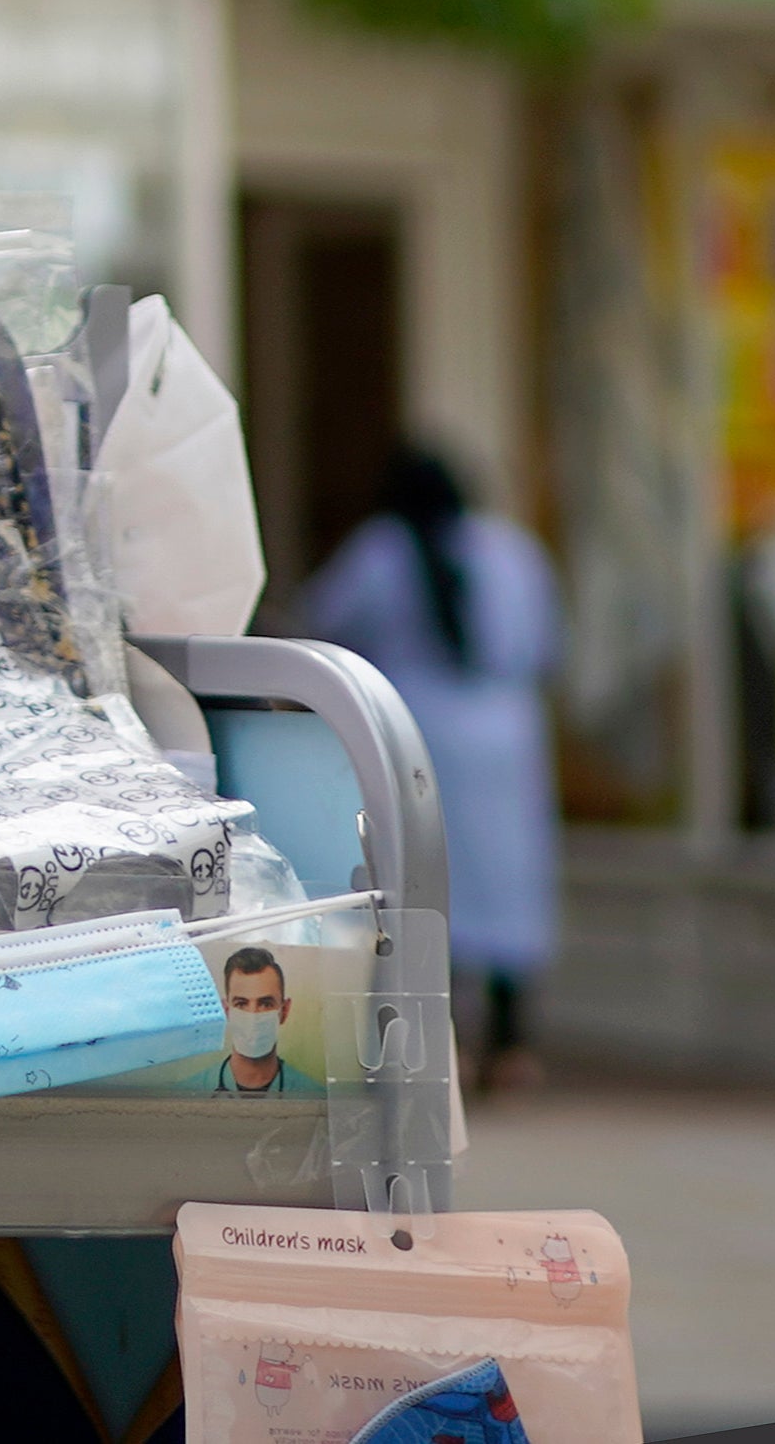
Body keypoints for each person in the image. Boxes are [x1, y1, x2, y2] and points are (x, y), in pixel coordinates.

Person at [300, 442, 560, 1087]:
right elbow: (550, 646)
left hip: (422, 734)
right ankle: (511, 1047)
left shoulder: (381, 551)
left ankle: (440, 1046)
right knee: (507, 885)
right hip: (507, 737)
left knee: (428, 880)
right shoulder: (514, 550)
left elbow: (316, 627)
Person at [210, 943, 300, 1094]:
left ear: (284, 1011)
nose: (253, 1015)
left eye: (265, 1004)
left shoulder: (313, 1093)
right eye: (241, 1004)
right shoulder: (188, 1091)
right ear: (226, 1011)